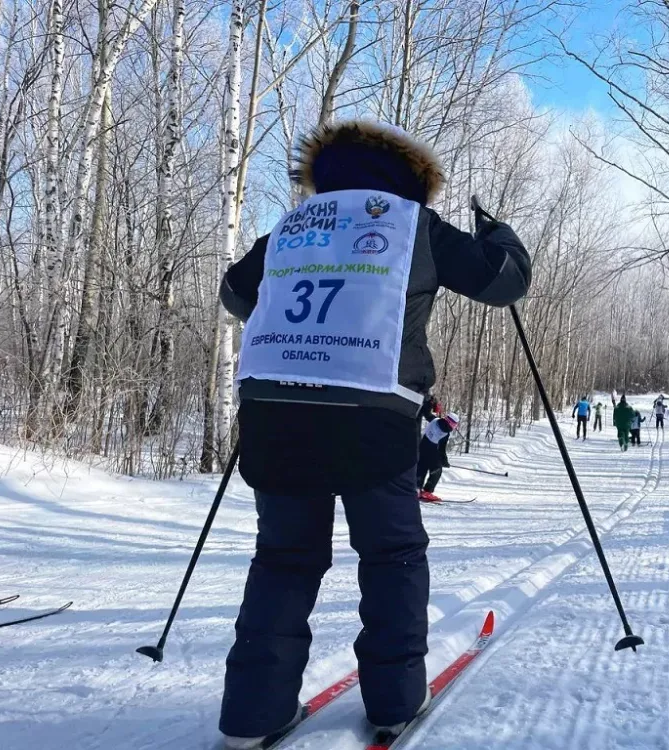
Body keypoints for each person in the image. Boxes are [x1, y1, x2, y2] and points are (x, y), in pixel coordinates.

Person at [216, 119, 531, 749]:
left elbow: (234, 293)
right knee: (391, 557)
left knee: (282, 559)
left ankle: (252, 716)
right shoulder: (414, 224)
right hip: (373, 418)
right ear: (411, 179)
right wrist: (500, 233)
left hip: (276, 413)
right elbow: (504, 280)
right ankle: (393, 701)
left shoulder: (288, 229)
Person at [417, 412, 459, 501]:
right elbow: (441, 449)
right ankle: (427, 491)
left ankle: (416, 489)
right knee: (437, 470)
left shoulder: (434, 419)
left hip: (421, 446)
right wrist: (444, 461)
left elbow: (427, 413)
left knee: (421, 468)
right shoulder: (446, 434)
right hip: (432, 451)